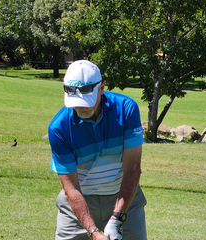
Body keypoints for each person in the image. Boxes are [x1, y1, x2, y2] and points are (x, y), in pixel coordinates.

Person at [48, 60, 147, 240]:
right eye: (76, 101)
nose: (81, 107)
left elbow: (132, 169)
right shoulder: (59, 127)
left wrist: (117, 217)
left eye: (86, 100)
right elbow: (71, 188)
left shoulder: (126, 110)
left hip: (123, 196)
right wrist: (93, 232)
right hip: (78, 201)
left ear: (101, 88)